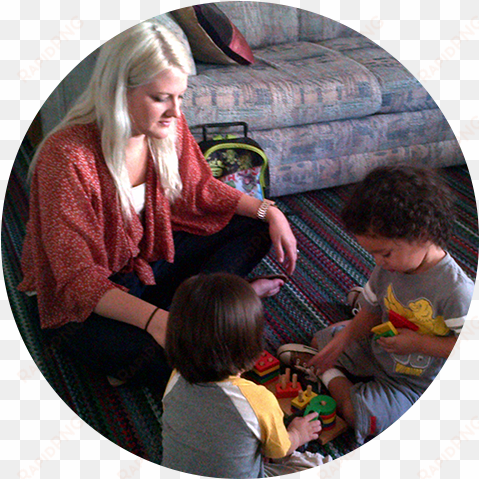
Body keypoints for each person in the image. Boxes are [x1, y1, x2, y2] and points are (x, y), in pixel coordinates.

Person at [18, 19, 297, 392]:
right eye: (160, 98)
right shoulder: (66, 156)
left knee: (259, 223)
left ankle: (201, 311)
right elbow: (77, 282)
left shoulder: (169, 128)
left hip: (145, 263)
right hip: (91, 298)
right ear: (119, 91)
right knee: (177, 362)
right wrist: (153, 321)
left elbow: (202, 191)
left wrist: (271, 211)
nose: (174, 111)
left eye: (179, 97)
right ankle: (212, 307)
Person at [277, 166, 474, 444]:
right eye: (373, 253)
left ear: (422, 234)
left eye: (384, 253)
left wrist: (419, 344)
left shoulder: (456, 290)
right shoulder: (390, 266)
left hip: (416, 382)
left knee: (362, 417)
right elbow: (371, 309)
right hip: (381, 348)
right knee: (326, 338)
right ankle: (343, 331)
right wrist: (345, 339)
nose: (378, 262)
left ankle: (328, 373)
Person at [162, 273, 328, 478]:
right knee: (318, 464)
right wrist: (297, 433)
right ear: (252, 349)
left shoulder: (175, 378)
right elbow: (278, 451)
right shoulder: (258, 400)